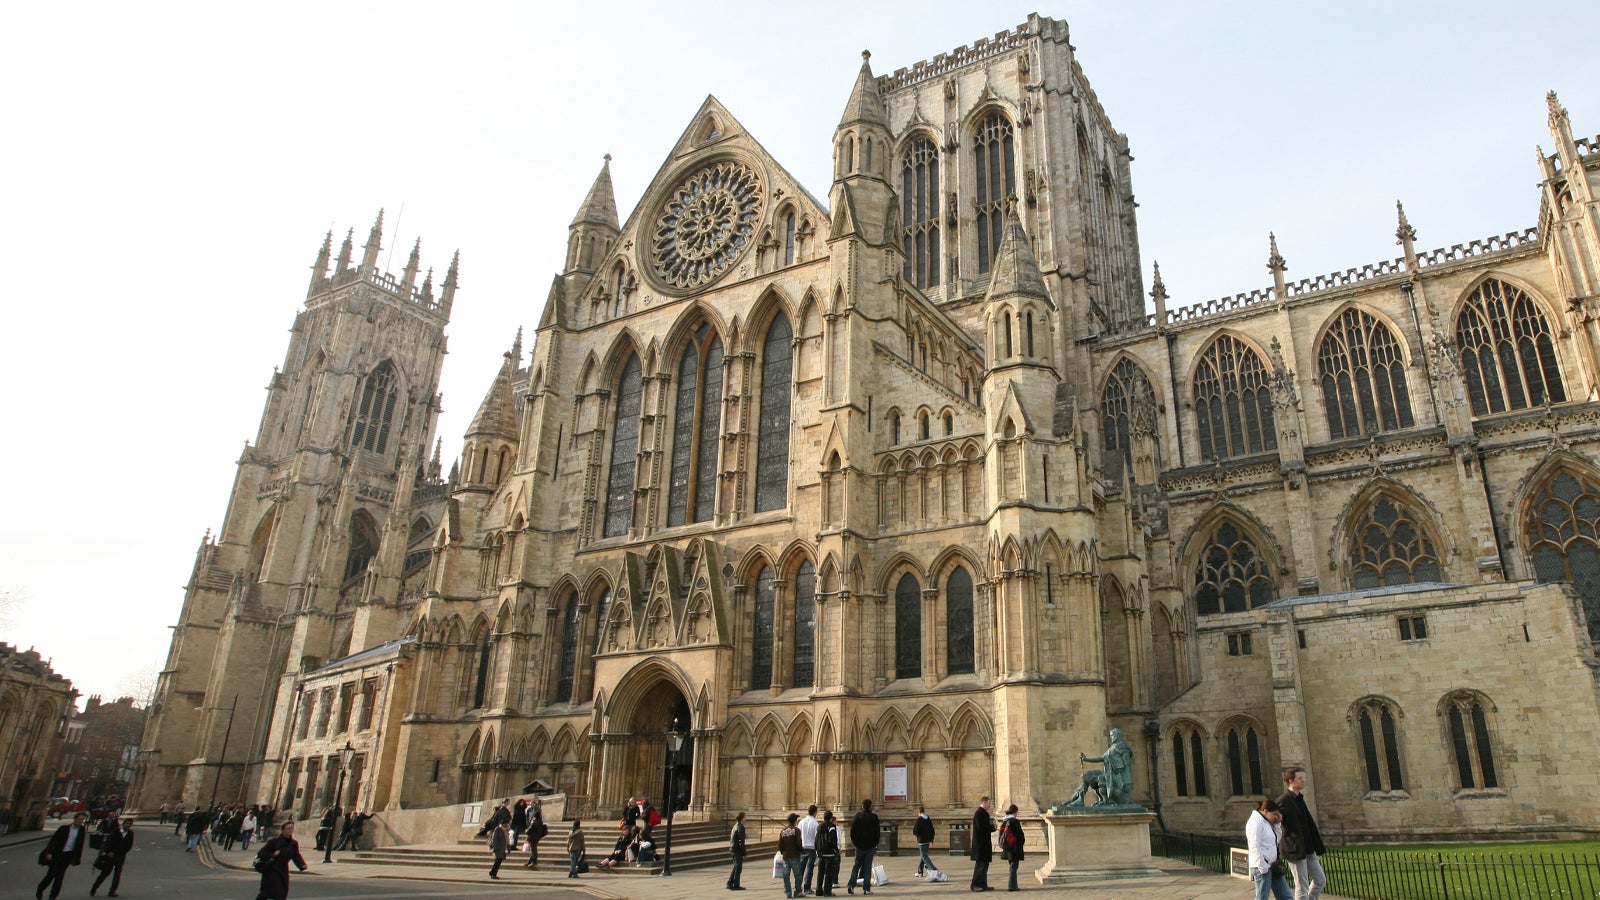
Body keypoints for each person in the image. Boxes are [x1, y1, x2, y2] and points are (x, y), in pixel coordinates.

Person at [1276, 767, 1327, 900]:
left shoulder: (1299, 799)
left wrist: (1317, 847)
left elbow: (1308, 825)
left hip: (1308, 848)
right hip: (1295, 850)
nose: (1303, 780)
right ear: (1291, 781)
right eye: (1300, 778)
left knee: (1320, 880)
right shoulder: (1283, 801)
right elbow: (1277, 824)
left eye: (1303, 778)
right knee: (1301, 886)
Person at [35, 811, 89, 900]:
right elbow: (53, 841)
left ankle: (53, 896)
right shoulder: (64, 828)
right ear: (74, 819)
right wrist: (49, 852)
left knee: (60, 877)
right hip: (57, 854)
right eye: (79, 819)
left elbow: (80, 845)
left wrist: (77, 858)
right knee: (50, 875)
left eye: (82, 820)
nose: (80, 821)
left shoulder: (82, 830)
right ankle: (40, 889)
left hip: (68, 855)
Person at [1247, 797, 1293, 900]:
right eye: (1275, 815)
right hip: (1262, 867)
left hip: (1273, 864)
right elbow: (1255, 845)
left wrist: (1277, 823)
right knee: (1262, 897)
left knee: (1285, 896)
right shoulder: (1256, 822)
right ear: (1266, 811)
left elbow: (1276, 840)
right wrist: (1262, 866)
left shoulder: (1266, 821)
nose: (1276, 817)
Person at [252, 820, 307, 900]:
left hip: (283, 870)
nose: (290, 830)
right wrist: (272, 854)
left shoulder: (293, 843)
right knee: (278, 894)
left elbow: (295, 855)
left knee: (271, 893)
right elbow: (261, 853)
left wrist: (302, 865)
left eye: (292, 828)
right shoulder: (274, 842)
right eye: (288, 829)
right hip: (272, 870)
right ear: (283, 830)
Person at [90, 816, 135, 897]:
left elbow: (129, 845)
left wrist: (123, 852)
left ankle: (112, 891)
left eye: (130, 824)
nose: (128, 826)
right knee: (105, 873)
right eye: (127, 824)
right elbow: (108, 842)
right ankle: (95, 887)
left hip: (120, 856)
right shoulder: (116, 832)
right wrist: (109, 851)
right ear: (123, 824)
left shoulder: (130, 833)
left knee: (117, 874)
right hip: (111, 855)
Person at [846, 798, 879, 895]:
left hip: (859, 846)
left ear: (862, 806)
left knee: (856, 866)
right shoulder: (874, 817)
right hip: (869, 847)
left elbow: (852, 831)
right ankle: (866, 889)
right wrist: (875, 844)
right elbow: (877, 833)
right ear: (870, 807)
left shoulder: (858, 816)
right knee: (867, 867)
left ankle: (851, 885)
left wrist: (856, 843)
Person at [970, 796, 995, 891]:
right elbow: (981, 827)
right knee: (980, 866)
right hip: (980, 845)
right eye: (988, 803)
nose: (989, 805)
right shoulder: (979, 813)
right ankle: (975, 884)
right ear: (983, 803)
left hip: (984, 844)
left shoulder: (984, 813)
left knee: (984, 866)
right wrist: (992, 827)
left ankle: (983, 884)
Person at [998, 804, 1025, 892]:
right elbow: (1020, 835)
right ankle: (1012, 886)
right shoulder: (1014, 821)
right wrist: (1022, 842)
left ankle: (1013, 885)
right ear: (1015, 812)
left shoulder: (1004, 822)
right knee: (1014, 867)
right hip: (1015, 848)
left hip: (1007, 847)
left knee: (1012, 866)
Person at [816, 810, 842, 896]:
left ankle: (819, 890)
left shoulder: (819, 826)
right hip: (829, 852)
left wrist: (818, 849)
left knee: (820, 872)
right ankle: (827, 891)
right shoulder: (831, 827)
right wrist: (836, 850)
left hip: (821, 852)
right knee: (828, 872)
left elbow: (816, 839)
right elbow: (832, 840)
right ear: (831, 818)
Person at [779, 812, 804, 899]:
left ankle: (788, 892)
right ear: (795, 821)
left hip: (786, 855)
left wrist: (782, 852)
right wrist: (801, 850)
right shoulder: (796, 830)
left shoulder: (783, 830)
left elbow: (780, 844)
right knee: (797, 874)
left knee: (786, 875)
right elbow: (798, 842)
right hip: (795, 855)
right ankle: (798, 891)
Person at [912, 806, 940, 879]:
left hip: (922, 840)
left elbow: (915, 830)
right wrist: (932, 839)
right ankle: (919, 872)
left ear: (918, 812)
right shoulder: (928, 819)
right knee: (923, 855)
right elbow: (932, 830)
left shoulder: (919, 820)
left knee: (924, 856)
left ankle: (933, 868)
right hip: (928, 840)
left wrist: (918, 835)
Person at [798, 804, 820, 894]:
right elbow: (817, 837)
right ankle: (807, 887)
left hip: (803, 847)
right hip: (811, 848)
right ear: (815, 812)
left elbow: (798, 835)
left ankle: (798, 886)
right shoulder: (815, 823)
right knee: (809, 868)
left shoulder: (801, 822)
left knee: (801, 868)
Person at [726, 810, 747, 890]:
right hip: (737, 849)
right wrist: (744, 852)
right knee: (738, 867)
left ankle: (729, 883)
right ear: (742, 818)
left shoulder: (736, 826)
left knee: (736, 866)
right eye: (745, 817)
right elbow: (741, 841)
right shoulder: (740, 827)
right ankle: (736, 884)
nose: (746, 819)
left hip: (733, 848)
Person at [524, 798, 547, 868]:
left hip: (533, 837)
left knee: (534, 850)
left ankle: (534, 862)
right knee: (534, 849)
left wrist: (526, 831)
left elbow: (530, 830)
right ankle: (530, 861)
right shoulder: (540, 822)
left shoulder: (535, 822)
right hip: (537, 836)